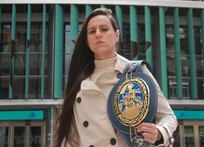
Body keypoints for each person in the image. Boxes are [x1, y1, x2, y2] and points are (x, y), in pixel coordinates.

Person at [56, 8, 178, 147]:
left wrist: (159, 132)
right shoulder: (78, 81)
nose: (98, 34)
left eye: (104, 29)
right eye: (92, 31)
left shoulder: (136, 71)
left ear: (117, 35)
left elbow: (168, 116)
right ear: (87, 41)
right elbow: (71, 139)